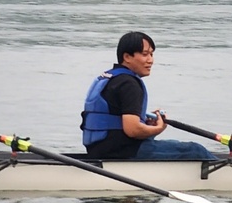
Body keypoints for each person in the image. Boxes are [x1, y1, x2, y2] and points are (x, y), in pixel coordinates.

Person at [81, 31, 215, 161]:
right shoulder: (130, 84)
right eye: (145, 54)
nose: (150, 60)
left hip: (98, 149)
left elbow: (117, 118)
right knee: (195, 150)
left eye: (151, 54)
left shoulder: (109, 78)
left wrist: (145, 122)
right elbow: (133, 130)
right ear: (127, 57)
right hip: (123, 151)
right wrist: (157, 128)